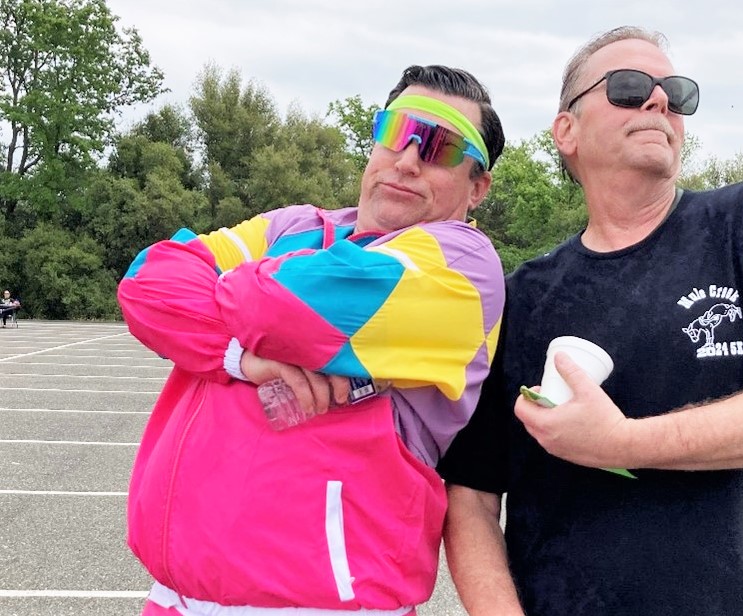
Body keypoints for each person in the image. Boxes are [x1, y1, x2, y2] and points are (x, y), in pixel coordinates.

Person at [438, 26, 743, 616]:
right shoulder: (518, 297)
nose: (658, 101)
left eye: (675, 93)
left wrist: (622, 442)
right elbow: (469, 496)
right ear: (566, 131)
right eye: (627, 87)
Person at [118, 64, 505, 616]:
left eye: (441, 148)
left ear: (477, 186)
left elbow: (281, 309)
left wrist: (225, 290)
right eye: (397, 132)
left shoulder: (464, 267)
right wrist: (239, 357)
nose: (409, 159)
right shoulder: (297, 224)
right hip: (177, 598)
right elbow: (146, 283)